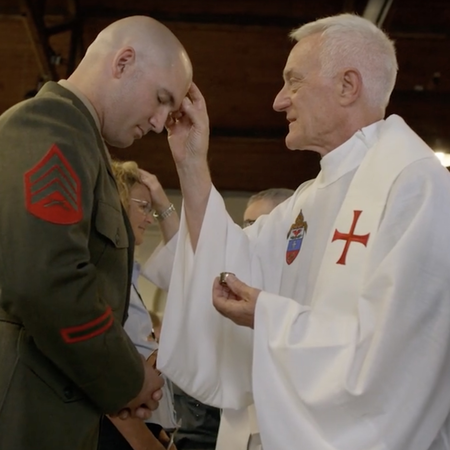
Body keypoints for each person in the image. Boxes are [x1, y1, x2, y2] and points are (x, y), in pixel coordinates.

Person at [157, 13, 450, 450]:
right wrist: (192, 166)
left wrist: (269, 317)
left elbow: (398, 363)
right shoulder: (308, 199)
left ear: (348, 86)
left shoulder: (416, 186)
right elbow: (233, 268)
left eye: (293, 82)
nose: (278, 100)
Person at [0, 15, 192, 450]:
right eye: (161, 99)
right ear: (122, 62)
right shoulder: (48, 125)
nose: (161, 122)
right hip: (23, 416)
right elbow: (45, 281)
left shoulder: (84, 144)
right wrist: (127, 378)